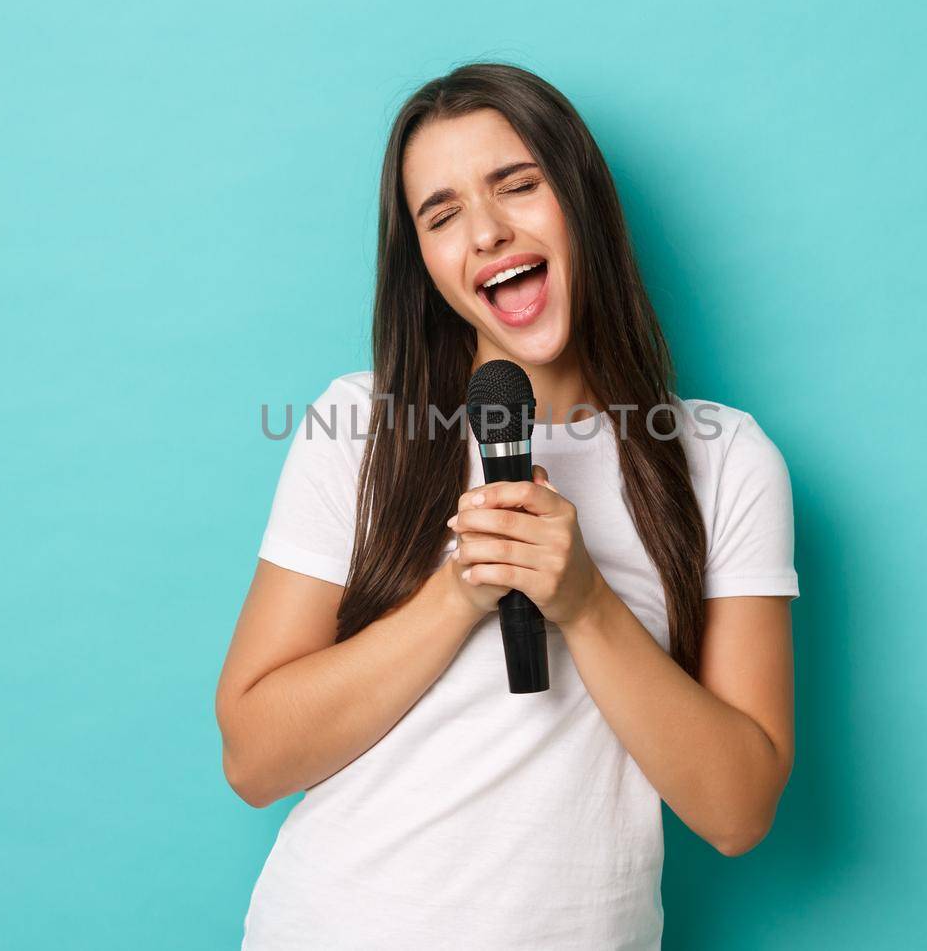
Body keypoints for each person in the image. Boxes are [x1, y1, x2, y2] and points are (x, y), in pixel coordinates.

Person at [215, 62, 800, 949]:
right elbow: (255, 758)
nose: (486, 231)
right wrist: (459, 591)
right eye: (442, 215)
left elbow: (737, 809)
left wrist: (584, 601)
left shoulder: (723, 462)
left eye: (517, 185)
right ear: (425, 264)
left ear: (581, 199)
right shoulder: (360, 427)